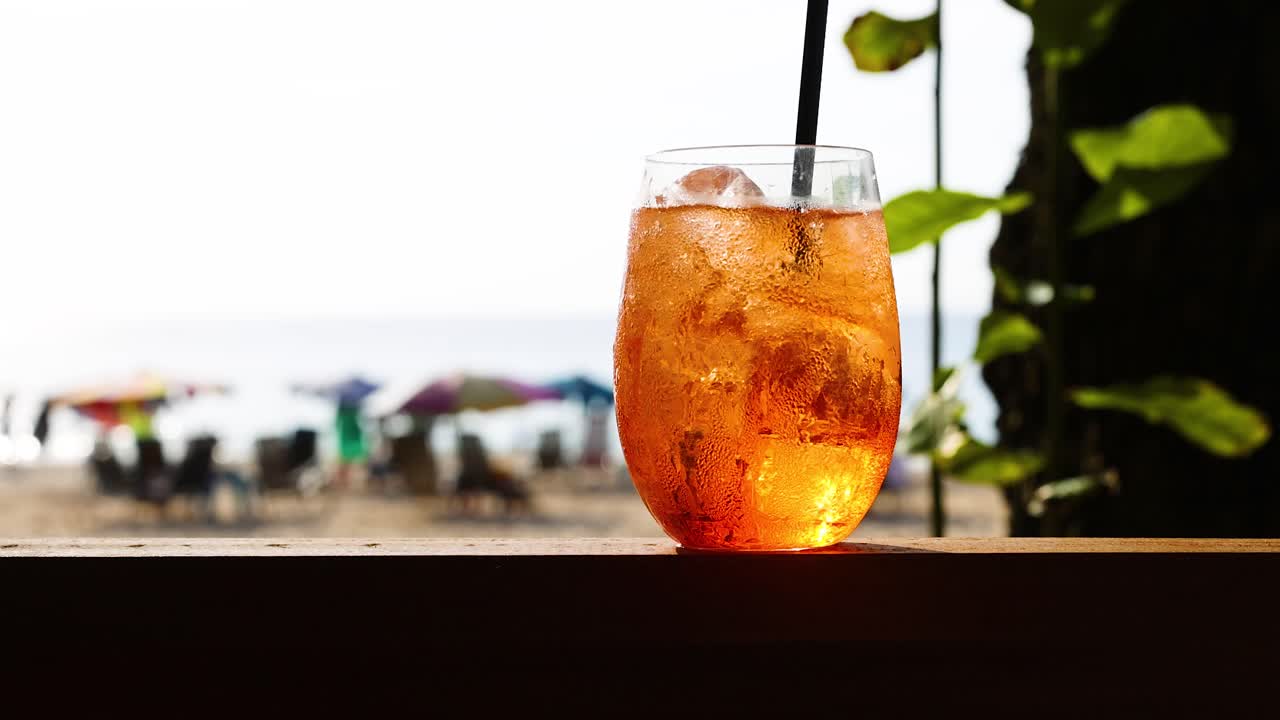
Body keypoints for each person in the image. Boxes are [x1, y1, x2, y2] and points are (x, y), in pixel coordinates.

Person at [333, 402, 368, 490]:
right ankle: (346, 483)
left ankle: (346, 483)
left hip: (349, 440)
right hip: (350, 440)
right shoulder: (355, 411)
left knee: (348, 463)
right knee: (350, 463)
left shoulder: (344, 412)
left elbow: (336, 424)